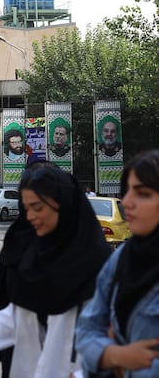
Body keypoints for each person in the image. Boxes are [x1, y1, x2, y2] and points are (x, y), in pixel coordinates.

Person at [0, 161, 112, 378]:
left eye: (38, 208)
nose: (30, 217)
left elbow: (111, 334)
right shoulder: (32, 256)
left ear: (63, 205)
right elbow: (17, 313)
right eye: (26, 209)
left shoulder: (100, 265)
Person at [75, 149, 159, 377]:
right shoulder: (123, 257)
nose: (128, 202)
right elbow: (87, 330)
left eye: (142, 194)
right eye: (127, 191)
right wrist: (116, 356)